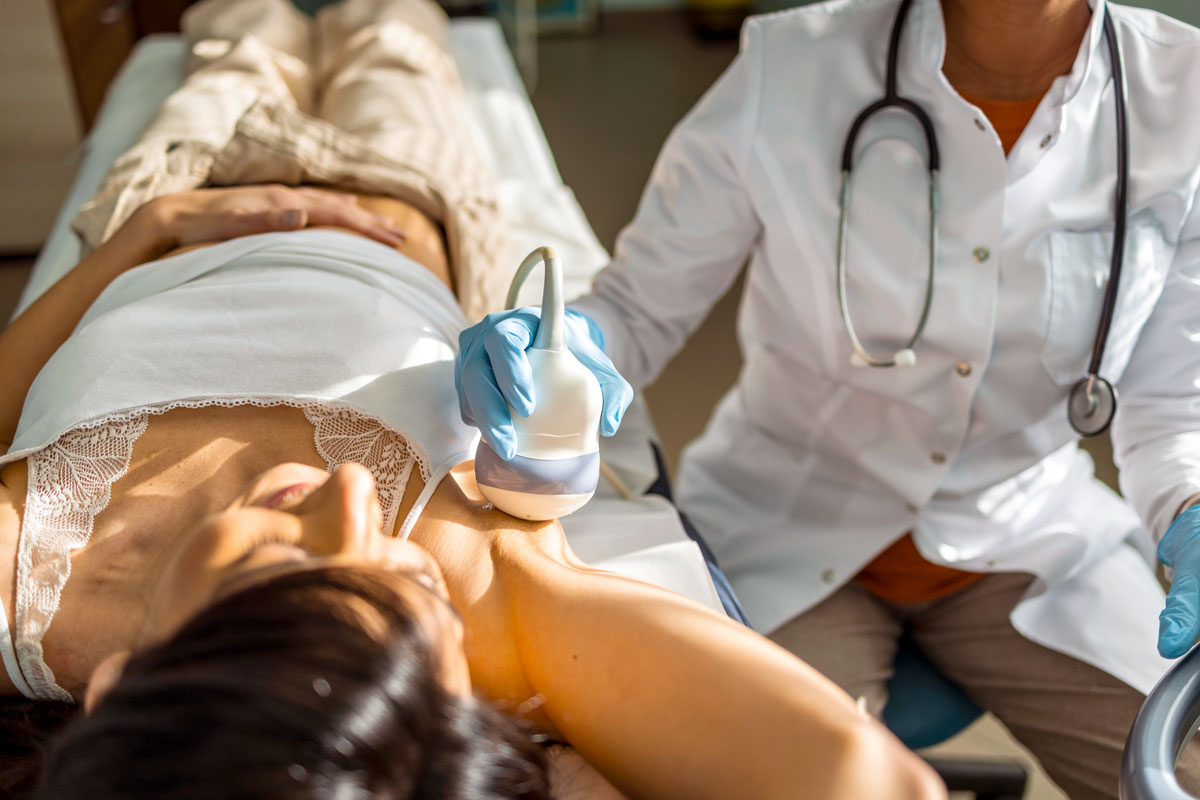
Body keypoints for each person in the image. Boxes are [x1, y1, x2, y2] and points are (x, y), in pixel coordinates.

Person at [0, 0, 944, 798]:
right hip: (407, 206)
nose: (351, 500)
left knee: (238, 28)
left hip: (186, 200)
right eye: (409, 581)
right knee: (396, 25)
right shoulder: (480, 600)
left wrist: (148, 232)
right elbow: (868, 779)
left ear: (121, 686)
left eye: (280, 571)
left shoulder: (21, 586)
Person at [454, 0, 1200, 796]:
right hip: (789, 526)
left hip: (1033, 539)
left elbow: (1168, 403)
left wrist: (1189, 507)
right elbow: (638, 307)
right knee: (798, 780)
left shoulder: (1180, 93)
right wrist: (561, 345)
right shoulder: (794, 65)